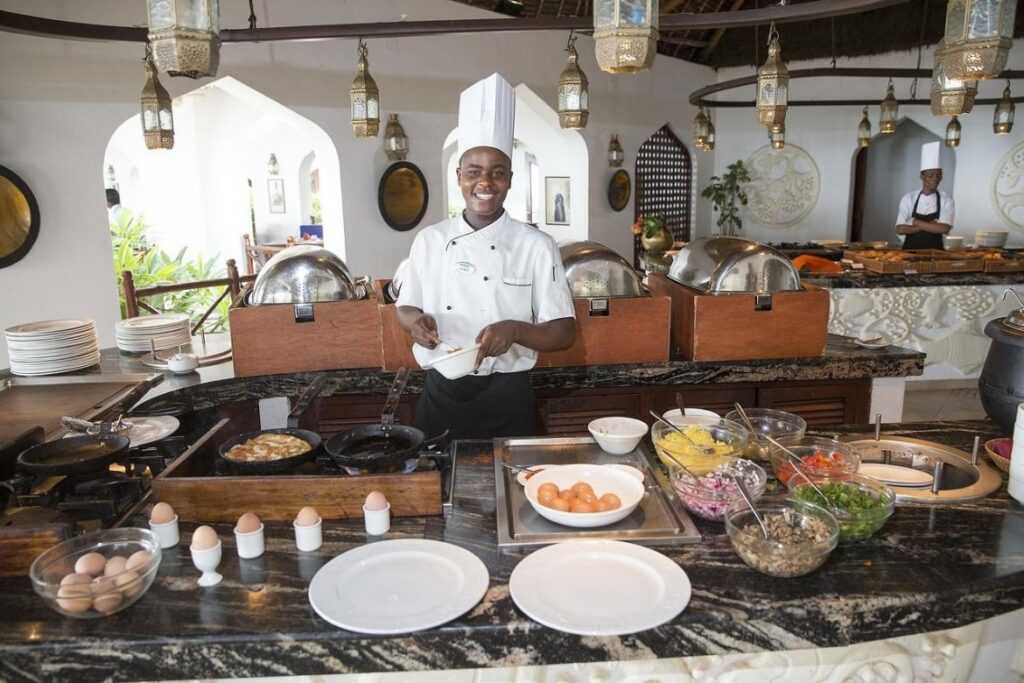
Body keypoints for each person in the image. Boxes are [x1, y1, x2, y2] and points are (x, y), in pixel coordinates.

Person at [395, 73, 576, 440]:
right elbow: (405, 307)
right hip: (440, 393)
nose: (485, 183)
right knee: (436, 489)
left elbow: (564, 331)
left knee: (511, 492)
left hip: (508, 397)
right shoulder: (429, 241)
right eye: (474, 172)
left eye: (497, 173)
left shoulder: (536, 245)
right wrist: (415, 323)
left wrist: (516, 330)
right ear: (459, 176)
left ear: (510, 179)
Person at [895, 142, 955, 250]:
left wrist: (915, 222)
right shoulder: (909, 198)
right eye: (930, 175)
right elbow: (900, 229)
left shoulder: (946, 200)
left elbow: (944, 229)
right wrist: (931, 225)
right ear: (921, 176)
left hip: (936, 254)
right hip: (909, 253)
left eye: (938, 176)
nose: (934, 179)